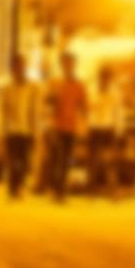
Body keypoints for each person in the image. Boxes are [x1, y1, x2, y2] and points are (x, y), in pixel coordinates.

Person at [44, 51, 88, 204]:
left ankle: (58, 190)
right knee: (58, 158)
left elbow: (84, 107)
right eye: (65, 63)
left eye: (71, 63)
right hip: (56, 126)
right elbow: (47, 102)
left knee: (65, 160)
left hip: (71, 127)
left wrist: (83, 126)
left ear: (74, 65)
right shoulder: (55, 82)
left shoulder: (79, 84)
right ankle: (58, 191)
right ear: (61, 65)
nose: (68, 65)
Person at [0, 54, 42, 202]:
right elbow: (3, 112)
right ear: (12, 69)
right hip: (11, 131)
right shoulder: (6, 89)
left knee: (23, 163)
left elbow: (35, 111)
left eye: (22, 65)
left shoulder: (32, 88)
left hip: (26, 131)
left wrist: (36, 132)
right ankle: (13, 190)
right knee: (13, 162)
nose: (19, 69)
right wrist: (2, 131)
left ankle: (19, 186)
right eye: (16, 66)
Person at [87, 65, 126, 198]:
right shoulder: (92, 90)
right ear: (100, 77)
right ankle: (91, 189)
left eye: (107, 77)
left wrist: (119, 130)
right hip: (95, 128)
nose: (105, 79)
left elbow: (118, 112)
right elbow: (87, 108)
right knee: (94, 160)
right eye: (103, 76)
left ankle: (112, 190)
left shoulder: (115, 92)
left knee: (110, 161)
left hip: (108, 129)